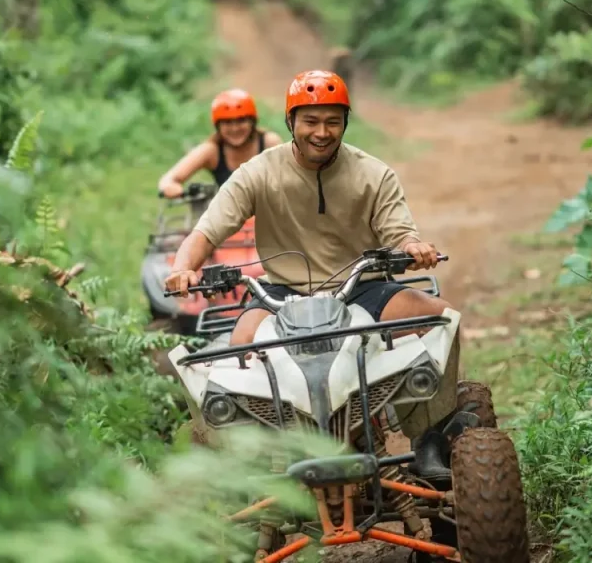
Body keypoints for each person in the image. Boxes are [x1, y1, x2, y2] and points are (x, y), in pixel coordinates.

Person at [163, 70, 460, 480]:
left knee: (440, 321)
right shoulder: (257, 172)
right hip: (279, 295)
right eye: (311, 121)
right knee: (238, 357)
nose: (322, 132)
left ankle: (429, 442)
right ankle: (255, 470)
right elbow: (206, 230)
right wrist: (183, 267)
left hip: (362, 287)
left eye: (332, 122)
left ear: (345, 123)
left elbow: (400, 232)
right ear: (291, 122)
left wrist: (413, 247)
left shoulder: (374, 173)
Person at [157, 88, 283, 198]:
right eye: (227, 122)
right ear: (218, 126)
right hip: (229, 220)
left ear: (252, 122)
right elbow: (169, 179)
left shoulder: (269, 143)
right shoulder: (212, 150)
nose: (235, 128)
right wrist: (171, 187)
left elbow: (293, 175)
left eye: (241, 120)